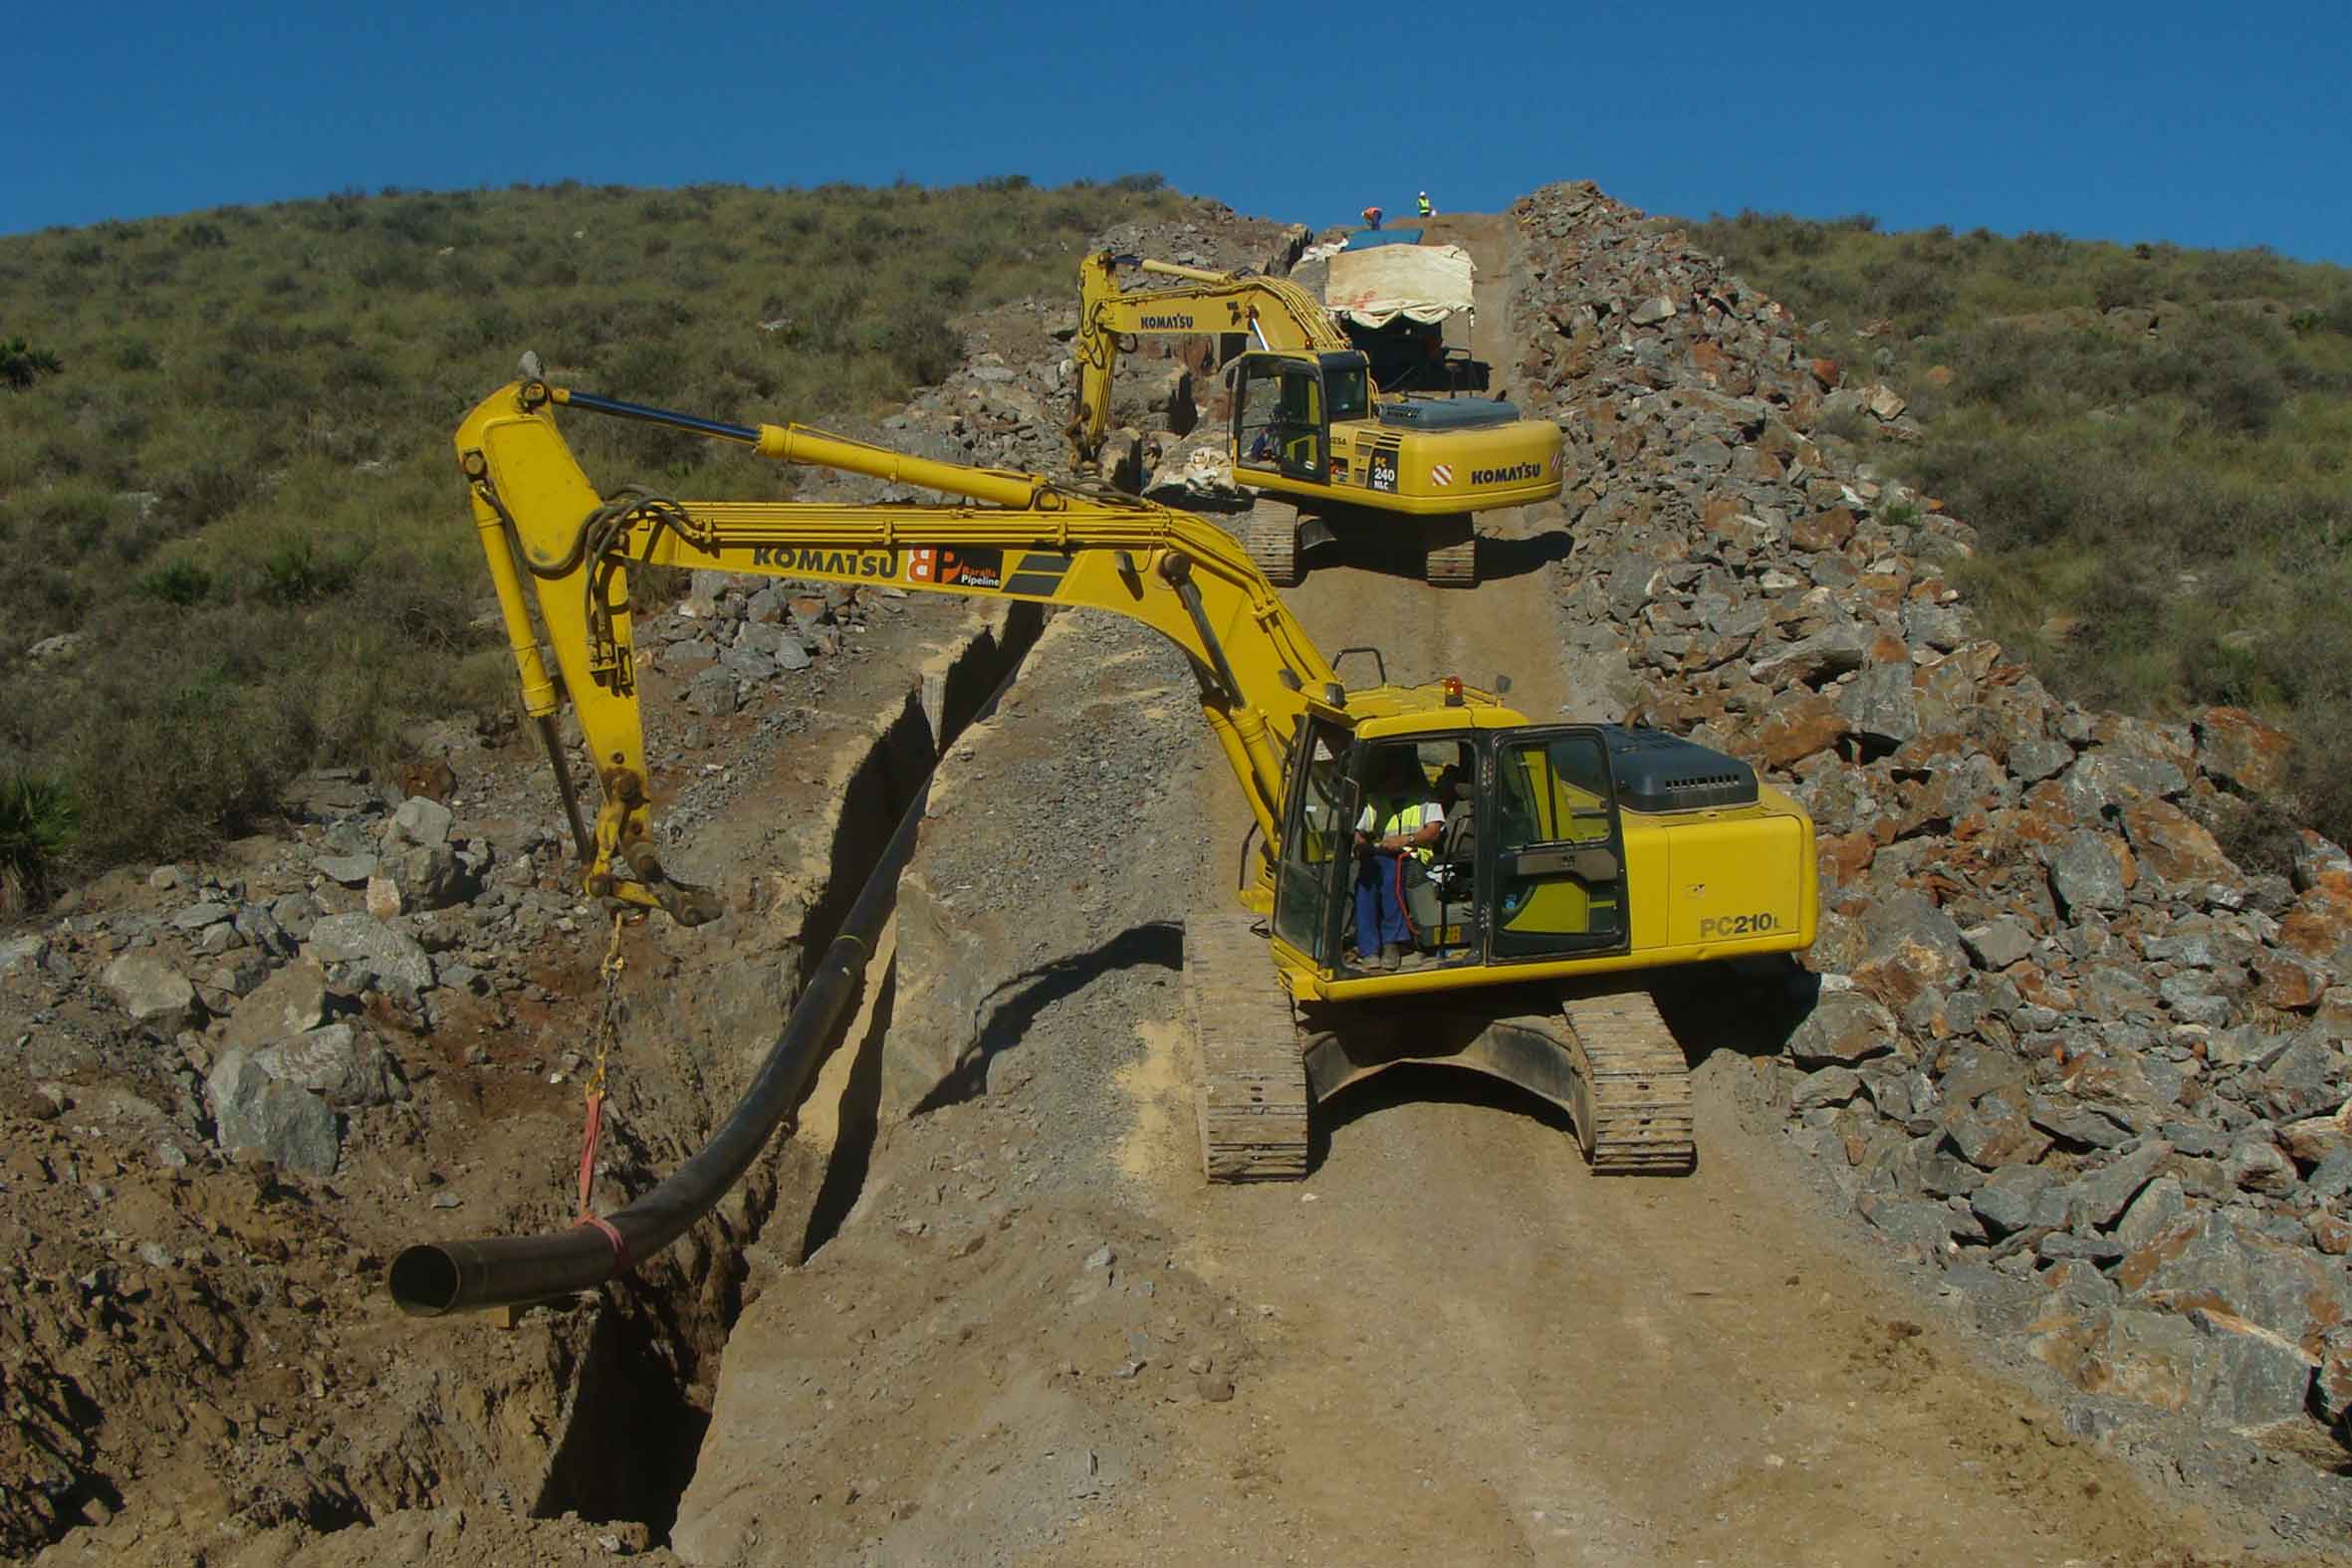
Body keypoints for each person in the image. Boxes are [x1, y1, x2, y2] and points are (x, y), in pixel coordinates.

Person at [1354, 752, 1444, 971]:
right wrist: (1364, 846)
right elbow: (1360, 833)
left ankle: (1391, 943)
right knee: (1365, 883)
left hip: (1415, 858)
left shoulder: (1425, 799)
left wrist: (1406, 839)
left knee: (1389, 876)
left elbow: (1433, 832)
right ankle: (1369, 949)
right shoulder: (1376, 801)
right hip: (1383, 856)